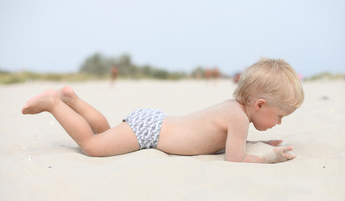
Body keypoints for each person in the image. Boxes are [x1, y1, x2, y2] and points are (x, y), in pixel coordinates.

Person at [21, 58, 304, 163]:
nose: (279, 123)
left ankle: (73, 99)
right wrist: (269, 158)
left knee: (104, 132)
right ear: (260, 105)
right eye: (280, 116)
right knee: (93, 146)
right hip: (150, 132)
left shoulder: (234, 110)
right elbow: (235, 158)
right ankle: (55, 103)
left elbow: (232, 143)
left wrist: (258, 141)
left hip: (153, 120)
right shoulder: (239, 119)